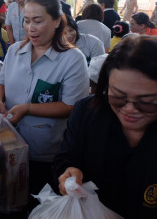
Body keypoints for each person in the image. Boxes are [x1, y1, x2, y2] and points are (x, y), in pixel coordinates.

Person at [0, 0, 89, 204]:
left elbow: (72, 106)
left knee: (37, 205)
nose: (30, 28)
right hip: (8, 146)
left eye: (38, 21)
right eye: (26, 21)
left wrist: (27, 108)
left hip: (45, 153)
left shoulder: (72, 59)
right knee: (8, 203)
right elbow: (1, 82)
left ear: (56, 21)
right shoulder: (14, 51)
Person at [54, 35, 157, 219]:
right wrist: (68, 172)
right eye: (118, 96)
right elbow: (66, 158)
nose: (130, 109)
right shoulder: (87, 112)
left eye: (147, 102)